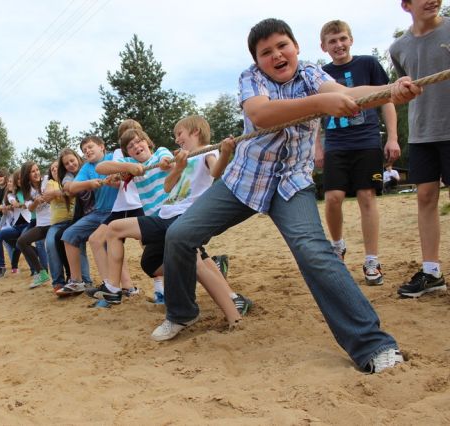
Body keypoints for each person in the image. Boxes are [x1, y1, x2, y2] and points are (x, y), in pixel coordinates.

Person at [154, 18, 420, 373]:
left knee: (314, 251)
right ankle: (181, 312)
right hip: (243, 181)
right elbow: (262, 114)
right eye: (266, 52)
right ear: (257, 60)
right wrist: (323, 104)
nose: (276, 55)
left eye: (283, 46)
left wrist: (390, 90)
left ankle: (373, 345)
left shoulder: (311, 74)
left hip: (291, 184)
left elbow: (344, 93)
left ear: (296, 47)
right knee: (179, 235)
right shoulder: (250, 79)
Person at [94, 122, 248, 328]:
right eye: (130, 146)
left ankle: (233, 307)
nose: (136, 146)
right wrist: (129, 167)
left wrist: (172, 164)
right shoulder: (134, 164)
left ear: (148, 142)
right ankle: (113, 288)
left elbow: (214, 172)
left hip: (179, 217)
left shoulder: (163, 154)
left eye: (139, 142)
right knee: (151, 262)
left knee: (196, 261)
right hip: (164, 215)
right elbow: (101, 167)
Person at [317, 19, 401, 286]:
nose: (338, 44)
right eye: (332, 41)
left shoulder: (368, 64)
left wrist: (393, 138)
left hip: (366, 141)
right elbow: (313, 114)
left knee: (366, 196)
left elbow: (387, 99)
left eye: (342, 38)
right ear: (324, 47)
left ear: (350, 39)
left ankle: (371, 261)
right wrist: (317, 146)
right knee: (333, 197)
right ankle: (338, 246)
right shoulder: (321, 74)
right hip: (336, 144)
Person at [390, 0, 448, 297]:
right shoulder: (398, 47)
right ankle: (432, 272)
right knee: (425, 197)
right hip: (422, 132)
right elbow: (401, 95)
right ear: (406, 5)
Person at [87, 119, 145, 295]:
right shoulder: (120, 153)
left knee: (149, 246)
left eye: (134, 133)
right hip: (122, 206)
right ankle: (113, 286)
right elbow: (115, 173)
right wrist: (116, 177)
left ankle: (160, 288)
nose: (131, 139)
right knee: (97, 239)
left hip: (140, 203)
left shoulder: (148, 151)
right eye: (125, 135)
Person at [56, 136, 118, 296]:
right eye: (84, 150)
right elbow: (72, 187)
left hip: (117, 211)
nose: (87, 151)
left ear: (102, 147)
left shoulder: (114, 157)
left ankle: (116, 285)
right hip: (98, 213)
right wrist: (89, 184)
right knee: (68, 235)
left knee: (103, 243)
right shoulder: (87, 168)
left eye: (90, 147)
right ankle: (76, 281)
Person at [45, 149, 92, 294]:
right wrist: (60, 191)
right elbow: (66, 188)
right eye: (66, 163)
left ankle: (85, 280)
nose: (71, 165)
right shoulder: (62, 179)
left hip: (85, 214)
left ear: (78, 158)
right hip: (70, 218)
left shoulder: (86, 169)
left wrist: (60, 192)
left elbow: (70, 191)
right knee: (57, 239)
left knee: (73, 238)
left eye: (72, 161)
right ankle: (64, 280)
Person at [16, 162, 52, 288]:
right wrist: (36, 201)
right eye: (33, 171)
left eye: (37, 170)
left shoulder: (47, 180)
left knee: (53, 248)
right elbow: (30, 209)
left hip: (54, 221)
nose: (37, 173)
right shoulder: (27, 190)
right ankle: (41, 272)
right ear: (27, 175)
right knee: (21, 242)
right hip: (42, 225)